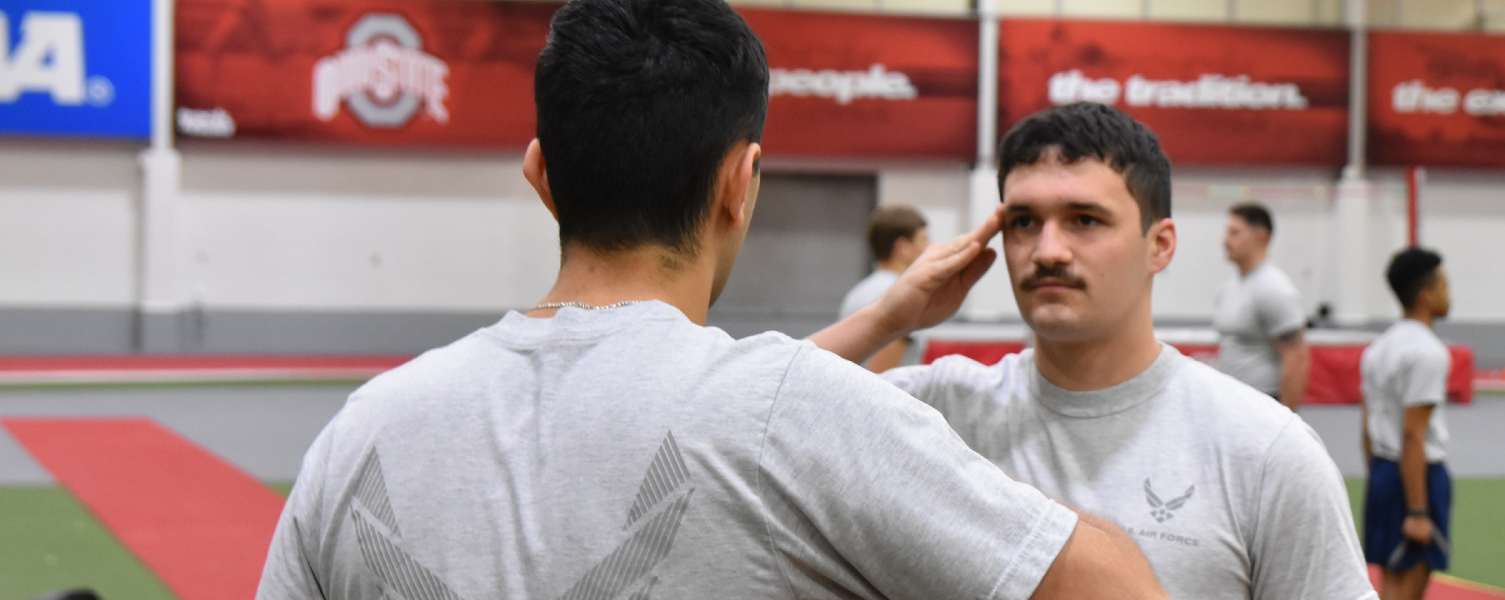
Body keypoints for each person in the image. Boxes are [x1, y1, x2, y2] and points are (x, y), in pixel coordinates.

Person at [254, 1, 1170, 598]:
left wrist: (885, 321)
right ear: (743, 183)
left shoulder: (363, 431)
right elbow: (1116, 589)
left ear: (542, 176)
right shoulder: (797, 419)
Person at [811, 102, 1376, 599]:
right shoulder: (939, 408)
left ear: (1160, 246)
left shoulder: (1266, 452)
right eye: (1024, 222)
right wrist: (886, 317)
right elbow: (743, 418)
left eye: (1084, 220)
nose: (1047, 250)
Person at [1361, 248, 1455, 600]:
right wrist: (1417, 509)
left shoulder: (1378, 348)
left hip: (1384, 473)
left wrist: (1379, 477)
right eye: (1445, 286)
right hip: (1417, 477)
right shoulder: (1428, 352)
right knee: (1409, 588)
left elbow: (1367, 422)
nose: (1450, 294)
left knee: (1389, 585)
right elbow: (1413, 433)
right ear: (1426, 295)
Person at [1215, 201, 1310, 409]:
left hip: (1263, 405)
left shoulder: (1274, 289)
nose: (1225, 240)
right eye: (1226, 233)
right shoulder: (1230, 287)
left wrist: (1287, 422)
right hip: (1232, 404)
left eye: (1235, 233)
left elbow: (1296, 357)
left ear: (1261, 237)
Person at [840, 205, 931, 372]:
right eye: (923, 240)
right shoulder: (900, 293)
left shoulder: (857, 293)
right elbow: (884, 375)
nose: (928, 248)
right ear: (902, 247)